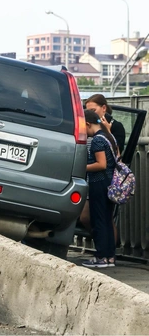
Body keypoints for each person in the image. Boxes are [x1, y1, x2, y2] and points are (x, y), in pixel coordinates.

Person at [80, 94, 126, 244]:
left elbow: (115, 153)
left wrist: (108, 131)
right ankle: (103, 243)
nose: (91, 113)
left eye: (93, 110)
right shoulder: (91, 127)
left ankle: (108, 247)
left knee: (102, 217)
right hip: (90, 177)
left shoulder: (114, 127)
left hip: (105, 178)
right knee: (90, 217)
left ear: (104, 108)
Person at [82, 110, 117, 268]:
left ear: (88, 124)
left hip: (99, 183)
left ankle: (101, 256)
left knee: (99, 220)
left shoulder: (97, 140)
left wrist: (82, 167)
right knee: (108, 220)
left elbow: (101, 164)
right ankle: (110, 257)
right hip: (110, 183)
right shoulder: (109, 136)